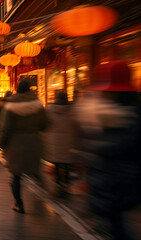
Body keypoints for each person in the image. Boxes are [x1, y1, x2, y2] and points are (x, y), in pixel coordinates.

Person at [72, 61, 141, 240]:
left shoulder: (94, 115)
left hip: (112, 187)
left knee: (117, 228)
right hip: (114, 187)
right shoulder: (129, 115)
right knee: (117, 227)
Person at [0, 80, 48, 214]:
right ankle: (46, 192)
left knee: (16, 176)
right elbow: (44, 124)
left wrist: (1, 143)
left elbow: (6, 129)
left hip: (16, 144)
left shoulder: (11, 105)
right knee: (35, 169)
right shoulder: (38, 104)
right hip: (34, 141)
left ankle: (19, 204)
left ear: (17, 90)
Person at [43, 91, 76, 197]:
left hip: (54, 140)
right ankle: (65, 184)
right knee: (66, 163)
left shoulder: (49, 109)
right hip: (67, 141)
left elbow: (45, 124)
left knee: (57, 163)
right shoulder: (72, 109)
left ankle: (58, 183)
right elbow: (76, 125)